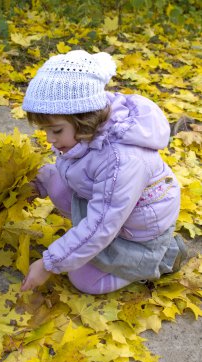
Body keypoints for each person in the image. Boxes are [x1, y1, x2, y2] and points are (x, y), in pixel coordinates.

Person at [20, 50, 187, 294]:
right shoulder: (84, 132)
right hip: (110, 207)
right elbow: (76, 168)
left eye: (55, 131)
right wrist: (40, 185)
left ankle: (161, 258)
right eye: (45, 131)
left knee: (83, 279)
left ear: (84, 118)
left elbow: (102, 225)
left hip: (136, 234)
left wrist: (49, 264)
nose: (49, 140)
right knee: (51, 178)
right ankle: (82, 244)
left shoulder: (122, 159)